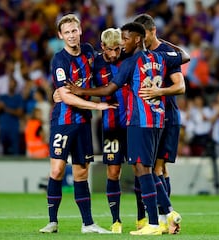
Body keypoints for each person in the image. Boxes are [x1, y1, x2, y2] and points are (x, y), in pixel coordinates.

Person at [66, 22, 186, 235]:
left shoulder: (130, 62)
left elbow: (109, 88)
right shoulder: (160, 58)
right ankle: (164, 214)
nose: (121, 44)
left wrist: (79, 90)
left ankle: (158, 219)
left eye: (125, 39)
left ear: (137, 39)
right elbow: (182, 56)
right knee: (147, 169)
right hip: (157, 120)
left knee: (143, 170)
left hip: (138, 121)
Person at [39, 14, 114, 234]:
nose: (71, 35)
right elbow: (66, 97)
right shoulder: (59, 60)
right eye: (67, 32)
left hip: (83, 123)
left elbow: (104, 70)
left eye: (74, 30)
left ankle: (88, 224)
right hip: (63, 121)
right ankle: (52, 221)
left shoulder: (90, 52)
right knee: (57, 169)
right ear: (60, 36)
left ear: (80, 31)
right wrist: (98, 106)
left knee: (81, 173)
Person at [133, 13, 188, 233]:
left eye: (142, 35)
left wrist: (159, 91)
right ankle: (165, 219)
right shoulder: (142, 54)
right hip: (152, 117)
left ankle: (167, 215)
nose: (138, 39)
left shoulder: (166, 55)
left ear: (153, 31)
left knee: (156, 168)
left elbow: (181, 85)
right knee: (159, 169)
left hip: (167, 116)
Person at [92, 28, 129, 233]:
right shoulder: (96, 63)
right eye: (110, 50)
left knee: (142, 169)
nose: (114, 54)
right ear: (102, 47)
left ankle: (143, 219)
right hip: (111, 124)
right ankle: (116, 221)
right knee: (113, 171)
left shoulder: (130, 57)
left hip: (133, 121)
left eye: (118, 49)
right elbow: (89, 88)